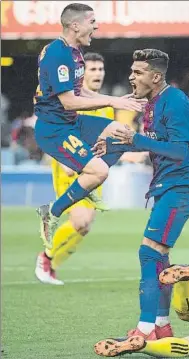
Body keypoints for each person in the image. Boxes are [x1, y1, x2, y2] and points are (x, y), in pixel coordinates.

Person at [93, 49, 189, 340]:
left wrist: (135, 139)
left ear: (155, 77)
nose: (131, 77)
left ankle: (143, 331)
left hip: (180, 189)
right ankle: (161, 326)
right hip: (167, 187)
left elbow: (182, 151)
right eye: (131, 71)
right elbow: (155, 142)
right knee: (159, 259)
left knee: (148, 253)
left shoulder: (176, 101)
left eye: (138, 72)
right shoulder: (153, 103)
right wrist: (118, 147)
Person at [33, 3, 144, 250]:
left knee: (122, 133)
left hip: (70, 122)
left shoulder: (73, 52)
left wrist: (116, 100)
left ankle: (86, 185)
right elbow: (69, 101)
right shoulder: (58, 55)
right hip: (54, 128)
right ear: (75, 25)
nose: (96, 25)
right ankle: (51, 212)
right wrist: (112, 100)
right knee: (100, 172)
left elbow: (78, 89)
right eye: (92, 21)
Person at [35, 52, 114, 285]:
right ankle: (46, 258)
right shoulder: (72, 102)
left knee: (84, 226)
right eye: (92, 69)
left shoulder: (105, 108)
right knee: (81, 219)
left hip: (91, 170)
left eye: (101, 69)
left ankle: (51, 266)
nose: (98, 73)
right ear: (81, 73)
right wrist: (65, 162)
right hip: (69, 168)